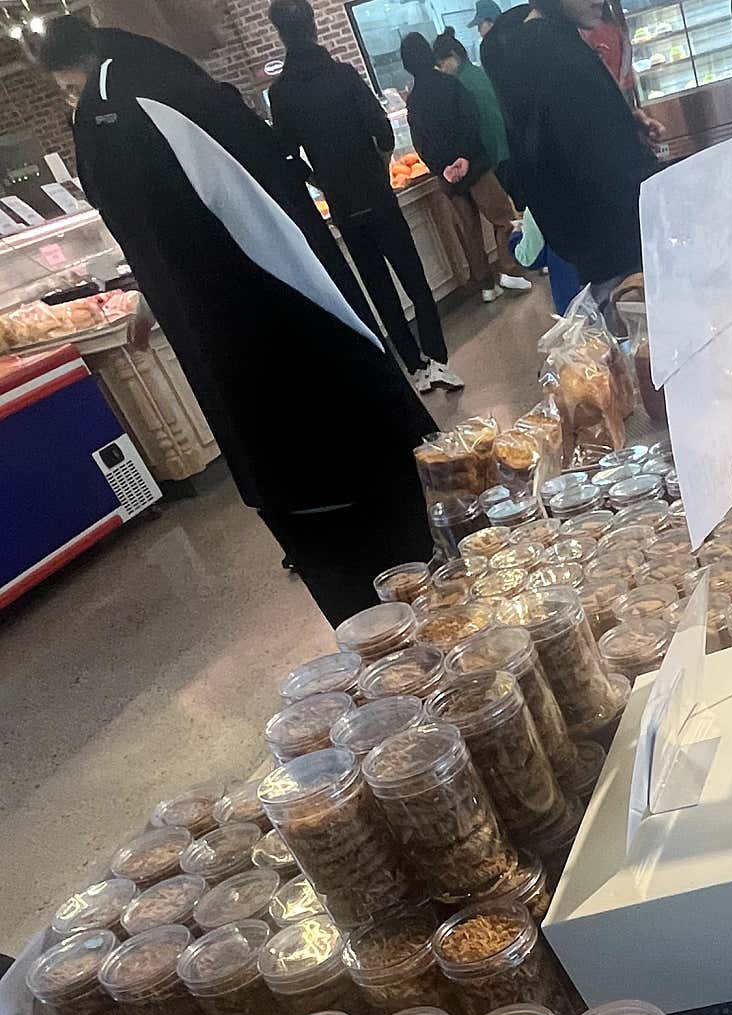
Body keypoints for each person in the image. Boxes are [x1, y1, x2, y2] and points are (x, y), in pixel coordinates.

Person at [41, 14, 435, 627]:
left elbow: (190, 248)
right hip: (324, 415)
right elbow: (293, 259)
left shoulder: (113, 107)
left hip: (276, 433)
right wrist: (396, 402)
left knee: (372, 622)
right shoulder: (159, 99)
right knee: (412, 607)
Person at [267, 0, 462, 394]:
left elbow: (284, 155)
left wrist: (319, 179)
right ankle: (437, 359)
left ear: (280, 34)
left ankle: (414, 367)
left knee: (380, 292)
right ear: (314, 26)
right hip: (377, 193)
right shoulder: (343, 75)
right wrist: (377, 167)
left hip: (342, 206)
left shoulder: (281, 92)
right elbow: (383, 131)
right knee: (415, 280)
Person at [488, 0, 658, 296]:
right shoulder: (548, 50)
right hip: (616, 250)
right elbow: (581, 161)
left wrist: (623, 123)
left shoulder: (537, 41)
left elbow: (567, 133)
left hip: (605, 246)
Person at [400, 31, 530, 300]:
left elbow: (420, 142)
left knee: (469, 230)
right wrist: (465, 158)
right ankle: (509, 269)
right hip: (475, 166)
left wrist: (442, 168)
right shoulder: (451, 84)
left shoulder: (413, 101)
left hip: (447, 176)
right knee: (502, 217)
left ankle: (486, 286)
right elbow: (471, 119)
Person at [431, 27, 518, 209]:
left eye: (441, 64)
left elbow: (485, 123)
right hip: (509, 146)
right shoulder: (476, 73)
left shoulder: (461, 84)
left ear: (454, 56)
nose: (441, 70)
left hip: (496, 152)